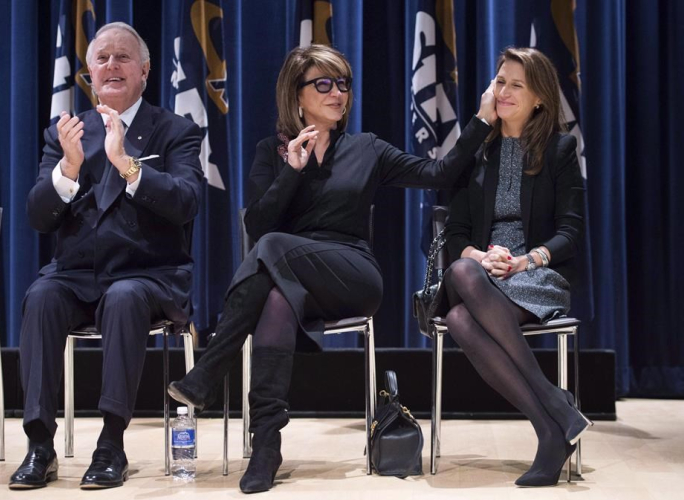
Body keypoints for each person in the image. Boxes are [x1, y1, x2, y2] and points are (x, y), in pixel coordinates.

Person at [167, 44, 492, 494]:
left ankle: (212, 366)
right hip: (291, 280)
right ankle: (266, 446)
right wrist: (292, 172)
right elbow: (256, 223)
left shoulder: (367, 149)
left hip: (353, 275)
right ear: (297, 96)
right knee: (276, 296)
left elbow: (440, 172)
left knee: (273, 247)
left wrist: (482, 120)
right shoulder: (272, 152)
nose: (337, 93)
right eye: (324, 84)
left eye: (342, 83)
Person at [9, 22, 203, 490]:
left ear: (145, 70)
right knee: (41, 296)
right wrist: (68, 169)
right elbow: (39, 216)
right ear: (89, 74)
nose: (111, 66)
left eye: (122, 58)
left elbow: (186, 201)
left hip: (149, 274)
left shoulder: (175, 131)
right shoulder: (66, 133)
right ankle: (39, 444)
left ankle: (111, 443)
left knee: (123, 297)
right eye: (102, 59)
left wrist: (126, 164)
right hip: (77, 275)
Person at [436, 47, 591, 487]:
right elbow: (457, 234)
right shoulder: (477, 154)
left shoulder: (560, 149)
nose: (503, 92)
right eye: (499, 81)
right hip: (482, 271)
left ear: (540, 97)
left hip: (537, 272)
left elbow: (570, 231)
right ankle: (552, 415)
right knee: (462, 287)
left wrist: (527, 259)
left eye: (516, 85)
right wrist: (482, 257)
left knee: (460, 316)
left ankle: (551, 423)